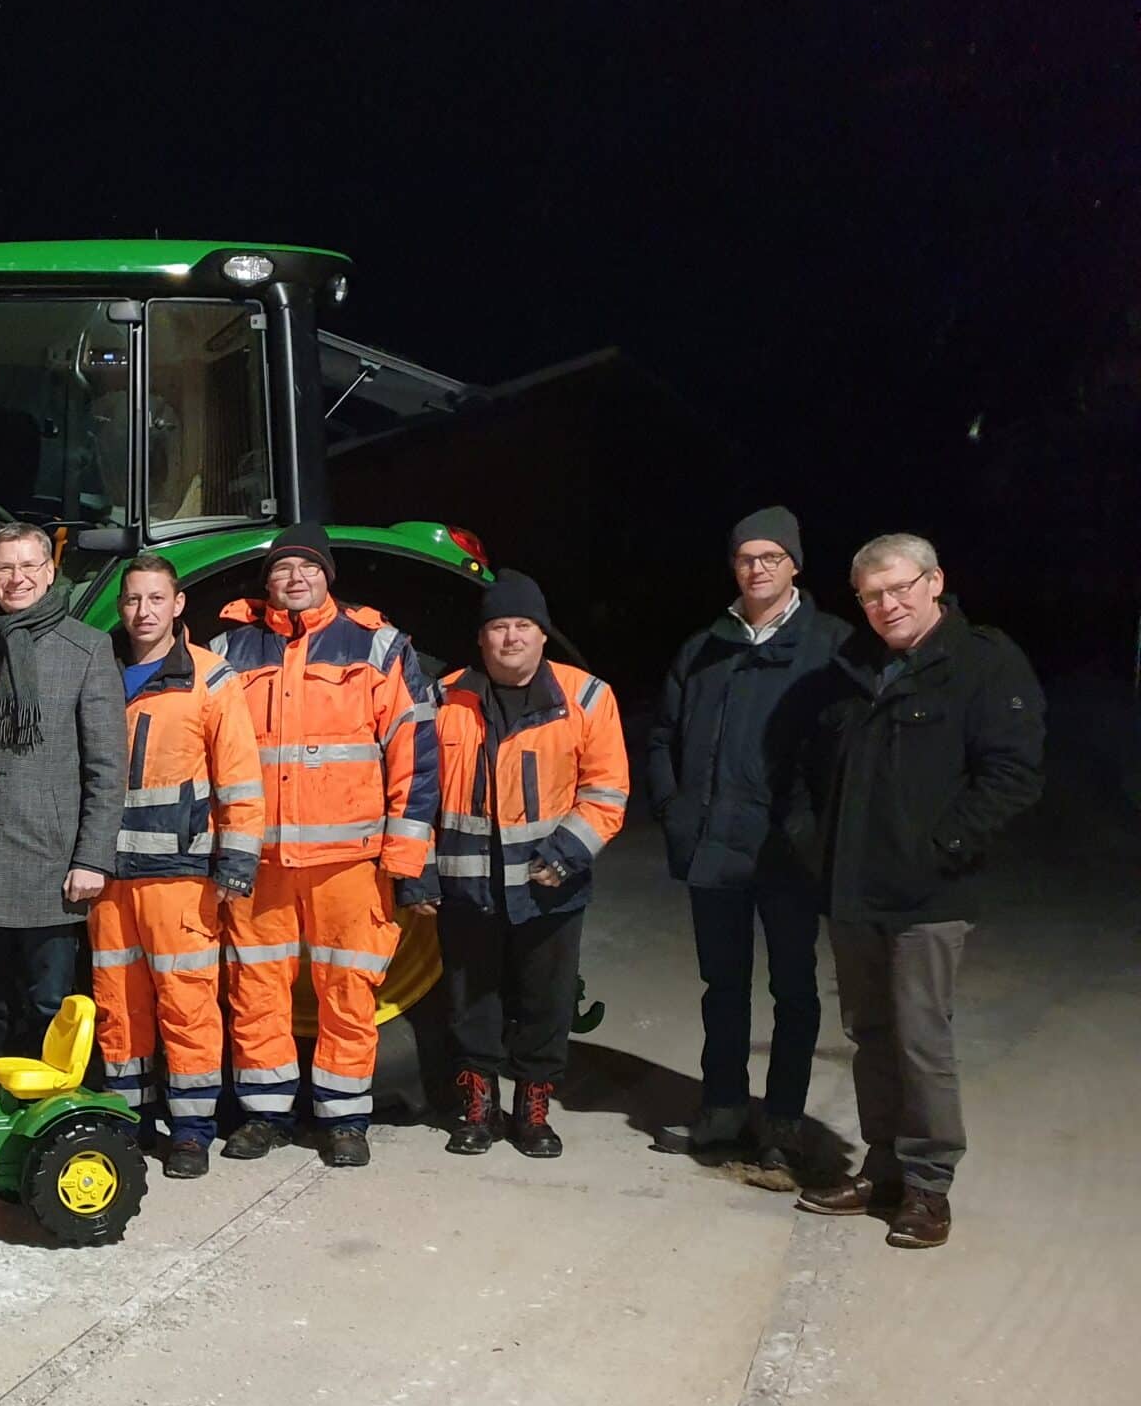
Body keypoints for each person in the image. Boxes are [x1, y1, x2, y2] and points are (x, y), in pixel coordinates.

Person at [788, 534, 1043, 1249]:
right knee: (869, 1035)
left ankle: (929, 1188)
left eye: (900, 588)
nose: (887, 604)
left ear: (935, 583)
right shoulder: (853, 666)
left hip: (928, 896)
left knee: (922, 1039)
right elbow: (811, 767)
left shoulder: (982, 663)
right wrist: (817, 844)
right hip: (852, 889)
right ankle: (884, 1164)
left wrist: (942, 849)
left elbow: (1014, 774)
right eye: (872, 595)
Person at [216, 524, 440, 1168]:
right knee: (256, 989)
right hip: (258, 861)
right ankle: (265, 1114)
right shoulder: (230, 647)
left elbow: (415, 759)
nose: (294, 577)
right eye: (282, 568)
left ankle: (346, 1119)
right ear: (267, 583)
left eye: (307, 567)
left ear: (327, 577)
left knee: (348, 989)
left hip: (349, 861)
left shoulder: (377, 647)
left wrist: (406, 863)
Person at [644, 507, 853, 1186]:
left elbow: (851, 751)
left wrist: (818, 833)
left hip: (787, 855)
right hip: (715, 849)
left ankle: (783, 1122)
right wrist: (675, 810)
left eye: (770, 557)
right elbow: (661, 737)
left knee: (794, 990)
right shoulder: (705, 648)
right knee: (722, 988)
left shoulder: (831, 645)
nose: (757, 569)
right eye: (745, 558)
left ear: (794, 564)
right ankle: (725, 1106)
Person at [429, 571, 628, 1157]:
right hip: (467, 885)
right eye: (498, 626)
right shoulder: (446, 698)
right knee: (473, 1000)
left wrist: (564, 855)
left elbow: (607, 790)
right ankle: (477, 1104)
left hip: (551, 886)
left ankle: (533, 1107)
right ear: (482, 637)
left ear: (543, 635)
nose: (511, 637)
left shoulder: (587, 697)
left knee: (546, 998)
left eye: (523, 625)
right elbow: (418, 793)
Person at [0, 522, 126, 1070]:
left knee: (46, 1001)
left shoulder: (86, 649)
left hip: (51, 861)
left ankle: (49, 1108)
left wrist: (91, 857)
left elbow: (107, 767)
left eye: (28, 566)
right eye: (4, 568)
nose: (17, 579)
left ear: (49, 571)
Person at [93, 553, 261, 1178]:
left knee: (187, 1001)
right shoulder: (98, 670)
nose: (143, 613)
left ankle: (192, 1129)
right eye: (133, 600)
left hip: (181, 874)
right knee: (119, 1002)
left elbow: (240, 778)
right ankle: (129, 1119)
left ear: (178, 604)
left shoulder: (212, 680)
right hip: (108, 874)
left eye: (155, 600)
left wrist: (236, 863)